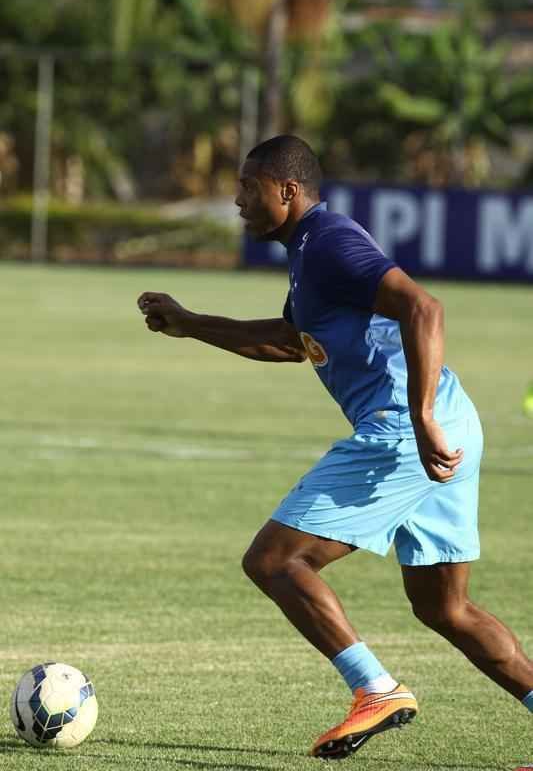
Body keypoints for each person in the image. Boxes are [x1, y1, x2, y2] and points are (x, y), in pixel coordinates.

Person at [137, 135, 533, 760]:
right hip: (451, 422)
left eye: (249, 186)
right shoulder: (308, 251)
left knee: (274, 561)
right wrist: (191, 324)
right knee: (445, 608)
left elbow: (423, 308)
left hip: (406, 427)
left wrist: (421, 415)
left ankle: (375, 689)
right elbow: (292, 341)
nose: (239, 199)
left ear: (287, 192)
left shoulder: (329, 243)